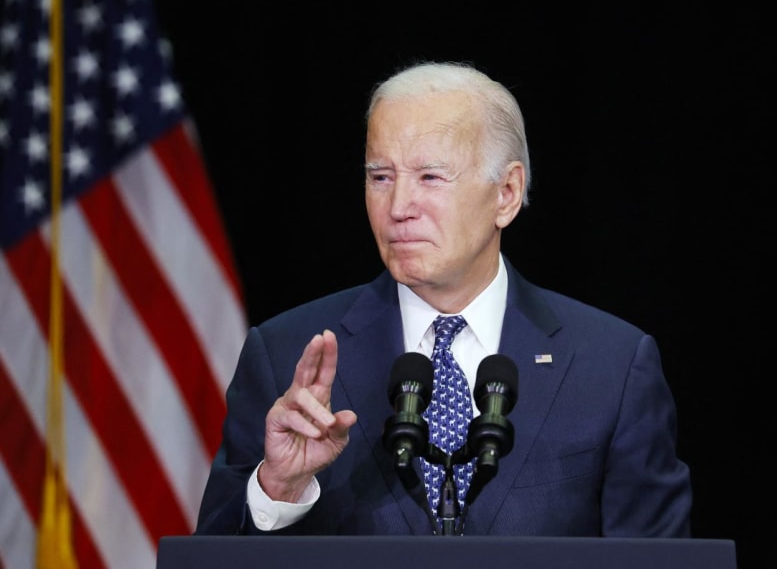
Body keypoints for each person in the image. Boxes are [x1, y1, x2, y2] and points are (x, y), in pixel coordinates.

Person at [194, 60, 692, 537]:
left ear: (507, 193)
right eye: (380, 177)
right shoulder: (285, 354)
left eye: (430, 177)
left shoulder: (612, 366)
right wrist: (277, 488)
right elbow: (210, 556)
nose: (398, 207)